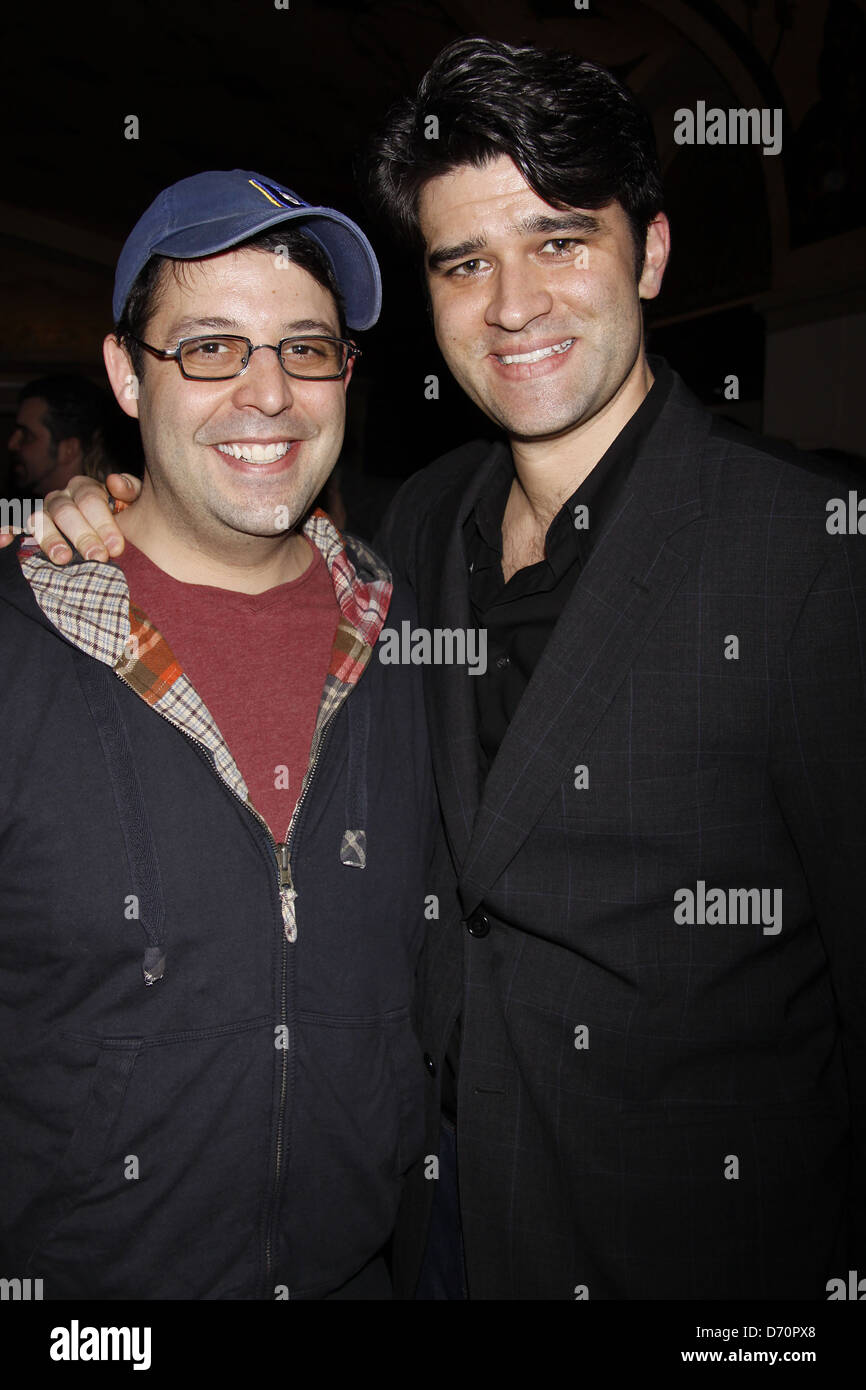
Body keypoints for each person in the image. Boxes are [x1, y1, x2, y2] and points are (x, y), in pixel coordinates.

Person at [19, 39, 866, 1303]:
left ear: (650, 253)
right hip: (432, 1236)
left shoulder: (809, 557)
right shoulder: (416, 534)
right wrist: (84, 507)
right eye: (464, 261)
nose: (511, 303)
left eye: (560, 241)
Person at [0, 168, 434, 1300]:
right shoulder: (19, 640)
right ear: (124, 378)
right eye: (207, 348)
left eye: (303, 347)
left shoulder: (414, 646)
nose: (267, 394)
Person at [6, 374, 126, 498]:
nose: (12, 444)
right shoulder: (26, 511)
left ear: (69, 450)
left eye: (27, 436)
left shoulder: (110, 511)